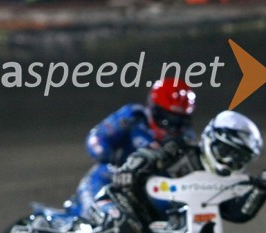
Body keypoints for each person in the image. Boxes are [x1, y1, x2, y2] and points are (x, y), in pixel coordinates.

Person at [91, 110, 266, 233]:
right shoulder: (179, 148)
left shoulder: (223, 184)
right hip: (130, 206)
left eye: (239, 159)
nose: (229, 161)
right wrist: (130, 170)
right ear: (211, 139)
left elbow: (237, 213)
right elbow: (147, 154)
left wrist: (261, 189)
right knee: (122, 229)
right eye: (226, 151)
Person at [67, 78, 197, 217]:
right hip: (116, 178)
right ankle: (93, 217)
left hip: (154, 189)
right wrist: (109, 159)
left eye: (178, 121)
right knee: (101, 175)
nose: (172, 126)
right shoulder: (133, 117)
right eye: (166, 118)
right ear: (153, 109)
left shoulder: (185, 139)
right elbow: (97, 138)